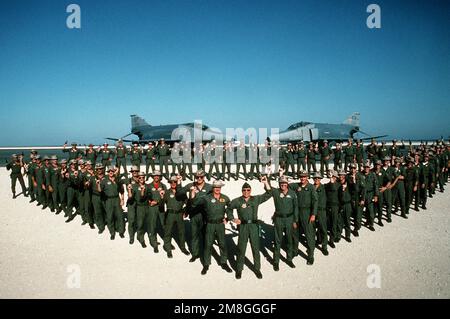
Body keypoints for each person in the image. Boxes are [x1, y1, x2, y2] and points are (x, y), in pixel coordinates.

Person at [226, 177, 272, 279]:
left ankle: (257, 269)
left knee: (255, 248)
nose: (246, 192)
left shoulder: (255, 199)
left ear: (250, 191)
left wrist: (266, 183)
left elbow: (269, 194)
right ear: (242, 191)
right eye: (244, 190)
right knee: (241, 249)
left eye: (248, 190)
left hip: (254, 226)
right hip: (243, 226)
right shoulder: (237, 201)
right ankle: (239, 269)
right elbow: (229, 208)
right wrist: (232, 219)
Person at [191, 180, 232, 275]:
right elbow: (194, 203)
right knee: (208, 244)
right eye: (215, 187)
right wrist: (192, 193)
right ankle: (206, 264)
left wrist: (228, 218)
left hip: (220, 225)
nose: (217, 189)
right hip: (210, 224)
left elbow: (229, 208)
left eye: (219, 187)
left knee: (222, 244)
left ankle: (223, 262)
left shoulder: (225, 198)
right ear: (212, 188)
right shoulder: (206, 198)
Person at [176, 170, 212, 263]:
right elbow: (179, 193)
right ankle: (195, 254)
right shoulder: (190, 185)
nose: (199, 179)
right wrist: (179, 182)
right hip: (194, 214)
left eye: (201, 177)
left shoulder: (209, 187)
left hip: (204, 215)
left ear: (204, 177)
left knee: (205, 235)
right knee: (194, 235)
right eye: (197, 177)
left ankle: (205, 254)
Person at [290, 171, 318, 265]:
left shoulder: (311, 188)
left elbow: (315, 201)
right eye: (301, 177)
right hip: (297, 212)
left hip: (307, 213)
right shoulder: (296, 186)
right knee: (295, 232)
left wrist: (313, 214)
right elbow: (287, 186)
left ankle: (310, 256)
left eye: (304, 177)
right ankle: (295, 250)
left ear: (307, 177)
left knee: (309, 234)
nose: (302, 178)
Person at [270, 175, 297, 271]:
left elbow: (295, 208)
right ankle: (276, 261)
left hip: (289, 219)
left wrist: (295, 220)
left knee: (289, 240)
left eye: (285, 183)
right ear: (279, 184)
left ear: (287, 184)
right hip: (279, 219)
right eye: (281, 183)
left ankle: (289, 259)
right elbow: (268, 188)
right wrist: (265, 181)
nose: (283, 185)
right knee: (278, 241)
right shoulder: (276, 192)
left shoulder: (293, 194)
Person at [160, 175, 190, 258]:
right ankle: (168, 249)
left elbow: (187, 203)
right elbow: (161, 205)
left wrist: (185, 211)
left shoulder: (181, 192)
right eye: (171, 182)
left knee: (181, 232)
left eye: (175, 182)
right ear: (169, 183)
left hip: (179, 214)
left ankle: (183, 248)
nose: (173, 183)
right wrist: (162, 197)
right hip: (170, 214)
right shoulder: (166, 192)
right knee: (168, 232)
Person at [97, 167, 125, 240]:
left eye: (112, 171)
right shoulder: (104, 180)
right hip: (108, 200)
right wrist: (98, 184)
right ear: (107, 172)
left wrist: (122, 199)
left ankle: (121, 231)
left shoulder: (117, 180)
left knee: (120, 216)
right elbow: (100, 191)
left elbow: (122, 191)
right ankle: (112, 233)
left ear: (113, 171)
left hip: (116, 199)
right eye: (109, 171)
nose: (110, 172)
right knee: (110, 217)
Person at [312, 172, 328, 256]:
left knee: (323, 229)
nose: (317, 179)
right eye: (315, 178)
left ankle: (324, 246)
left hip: (321, 211)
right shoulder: (311, 188)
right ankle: (315, 242)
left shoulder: (324, 187)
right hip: (312, 211)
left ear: (320, 179)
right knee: (313, 228)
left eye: (318, 178)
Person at [348, 163, 365, 236]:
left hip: (358, 197)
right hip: (350, 197)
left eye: (354, 168)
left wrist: (362, 199)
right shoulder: (347, 176)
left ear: (356, 169)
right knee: (350, 213)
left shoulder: (360, 176)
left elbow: (363, 189)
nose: (352, 170)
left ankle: (356, 228)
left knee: (358, 215)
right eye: (351, 168)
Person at [325, 170, 340, 246]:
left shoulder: (338, 185)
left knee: (334, 223)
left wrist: (332, 182)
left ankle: (331, 239)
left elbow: (334, 188)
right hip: (328, 206)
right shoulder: (327, 185)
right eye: (332, 177)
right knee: (327, 223)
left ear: (336, 178)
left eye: (334, 177)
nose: (332, 178)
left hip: (335, 206)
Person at [362, 161, 379, 231]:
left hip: (370, 194)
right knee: (364, 209)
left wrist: (376, 195)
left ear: (369, 168)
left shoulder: (373, 175)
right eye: (365, 167)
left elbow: (376, 185)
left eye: (368, 167)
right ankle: (366, 221)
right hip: (362, 194)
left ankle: (371, 224)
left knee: (371, 210)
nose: (366, 168)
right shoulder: (360, 174)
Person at [338, 169, 352, 242]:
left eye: (342, 175)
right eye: (340, 175)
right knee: (340, 221)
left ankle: (348, 235)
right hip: (340, 204)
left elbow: (355, 189)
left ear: (344, 176)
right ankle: (339, 235)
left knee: (347, 220)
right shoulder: (337, 183)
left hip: (347, 204)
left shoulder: (349, 183)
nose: (341, 176)